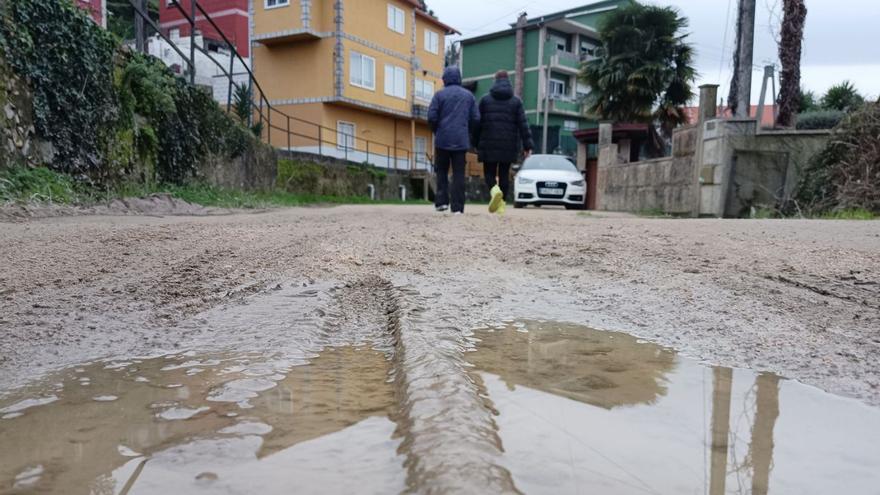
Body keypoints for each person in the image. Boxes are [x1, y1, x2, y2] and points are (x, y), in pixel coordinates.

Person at [472, 70, 533, 201]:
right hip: (508, 145)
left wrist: (475, 143)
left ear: (494, 81)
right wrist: (527, 146)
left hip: (488, 144)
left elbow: (476, 123)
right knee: (504, 174)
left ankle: (494, 192)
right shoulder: (516, 102)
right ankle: (502, 202)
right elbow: (523, 124)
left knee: (489, 173)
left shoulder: (484, 100)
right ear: (508, 81)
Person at [428, 66, 479, 214]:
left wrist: (436, 130)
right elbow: (476, 118)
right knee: (458, 173)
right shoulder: (469, 96)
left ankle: (442, 202)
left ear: (445, 79)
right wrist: (467, 132)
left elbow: (431, 117)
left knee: (442, 171)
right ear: (459, 79)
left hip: (442, 139)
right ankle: (457, 207)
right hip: (461, 140)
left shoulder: (439, 95)